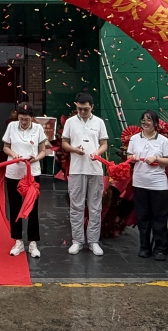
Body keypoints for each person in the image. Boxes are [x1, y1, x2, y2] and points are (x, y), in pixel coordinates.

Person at [62, 92, 108, 256]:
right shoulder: (70, 122)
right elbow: (64, 143)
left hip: (95, 169)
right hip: (77, 169)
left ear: (92, 107)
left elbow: (104, 144)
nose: (82, 112)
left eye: (86, 109)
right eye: (80, 109)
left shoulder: (99, 122)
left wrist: (97, 153)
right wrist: (74, 149)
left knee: (95, 206)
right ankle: (77, 241)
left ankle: (94, 241)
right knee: (76, 205)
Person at [127, 110, 168, 261]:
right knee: (142, 217)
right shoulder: (134, 139)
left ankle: (161, 249)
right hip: (139, 183)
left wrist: (157, 159)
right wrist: (132, 158)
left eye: (149, 120)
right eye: (143, 119)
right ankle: (144, 247)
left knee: (159, 217)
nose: (145, 122)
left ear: (155, 123)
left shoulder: (163, 141)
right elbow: (129, 156)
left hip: (158, 185)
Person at [2, 103, 47, 258]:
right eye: (21, 119)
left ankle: (33, 242)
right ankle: (18, 241)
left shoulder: (38, 129)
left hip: (32, 173)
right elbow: (5, 147)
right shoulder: (12, 126)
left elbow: (43, 150)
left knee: (32, 208)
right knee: (15, 206)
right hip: (13, 172)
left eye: (26, 119)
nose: (23, 122)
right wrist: (13, 155)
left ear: (32, 118)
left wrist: (36, 158)